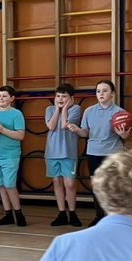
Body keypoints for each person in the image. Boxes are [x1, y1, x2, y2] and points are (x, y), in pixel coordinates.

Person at [71, 80, 131, 224]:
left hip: (113, 153)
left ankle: (114, 218)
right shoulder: (89, 111)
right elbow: (85, 133)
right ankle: (99, 216)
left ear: (112, 94)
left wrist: (122, 134)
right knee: (97, 186)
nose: (101, 93)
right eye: (98, 91)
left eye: (104, 90)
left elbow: (125, 136)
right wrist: (77, 130)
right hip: (93, 152)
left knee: (113, 186)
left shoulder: (120, 113)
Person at [0, 85, 27, 227]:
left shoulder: (17, 114)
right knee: (0, 185)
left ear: (11, 98)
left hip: (10, 155)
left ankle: (19, 214)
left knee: (10, 185)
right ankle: (8, 214)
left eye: (4, 96)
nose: (1, 99)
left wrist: (3, 129)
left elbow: (20, 135)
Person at [44, 84, 82, 228]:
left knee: (70, 184)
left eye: (64, 96)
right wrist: (56, 110)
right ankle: (61, 213)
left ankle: (72, 212)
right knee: (57, 182)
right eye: (58, 96)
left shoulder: (76, 109)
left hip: (68, 152)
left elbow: (65, 125)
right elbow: (51, 126)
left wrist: (64, 109)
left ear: (71, 98)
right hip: (52, 152)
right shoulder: (49, 109)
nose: (60, 99)